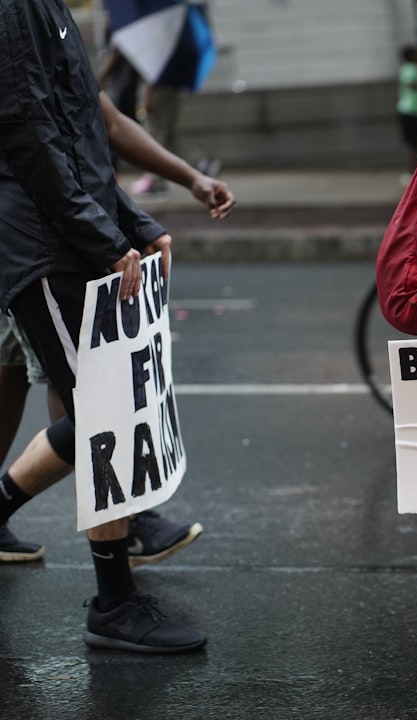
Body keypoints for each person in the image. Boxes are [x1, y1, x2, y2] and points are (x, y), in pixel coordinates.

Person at [0, 0, 205, 652]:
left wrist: (135, 225)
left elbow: (83, 126)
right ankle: (114, 606)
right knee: (99, 416)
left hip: (69, 236)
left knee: (102, 413)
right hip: (40, 246)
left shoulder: (48, 8)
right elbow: (29, 134)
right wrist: (101, 235)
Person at [0, 90, 236, 566]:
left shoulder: (43, 34)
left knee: (23, 369)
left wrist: (186, 181)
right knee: (82, 395)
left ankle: (124, 516)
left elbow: (103, 122)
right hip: (33, 241)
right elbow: (51, 156)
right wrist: (110, 234)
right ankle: (122, 523)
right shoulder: (20, 33)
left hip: (38, 237)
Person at [397, 46, 417, 182]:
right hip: (411, 111)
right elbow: (411, 84)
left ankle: (415, 171)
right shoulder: (412, 69)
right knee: (413, 144)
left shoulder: (407, 69)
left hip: (413, 110)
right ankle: (410, 172)